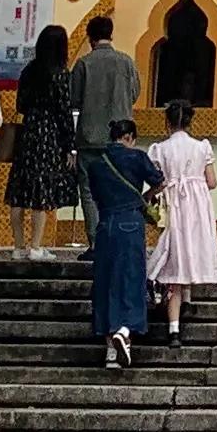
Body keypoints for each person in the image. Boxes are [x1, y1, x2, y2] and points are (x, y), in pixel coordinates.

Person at [78, 116, 159, 370]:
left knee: (106, 282)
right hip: (131, 223)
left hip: (105, 225)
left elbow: (94, 194)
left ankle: (110, 353)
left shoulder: (96, 163)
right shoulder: (136, 157)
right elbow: (160, 180)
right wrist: (144, 198)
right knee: (131, 279)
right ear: (129, 138)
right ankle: (124, 331)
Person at [147, 99, 217, 335]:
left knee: (174, 245)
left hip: (172, 203)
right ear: (190, 122)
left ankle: (173, 305)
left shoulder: (160, 148)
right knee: (192, 244)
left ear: (167, 122)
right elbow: (212, 181)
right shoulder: (202, 147)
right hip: (196, 206)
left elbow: (157, 181)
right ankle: (187, 294)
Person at [4, 26, 78, 256]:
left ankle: (18, 246)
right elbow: (64, 111)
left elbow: (20, 105)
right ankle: (35, 246)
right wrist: (69, 146)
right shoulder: (60, 74)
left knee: (20, 189)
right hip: (49, 134)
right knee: (41, 191)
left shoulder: (28, 71)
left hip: (28, 131)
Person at [70, 11, 140, 162]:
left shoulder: (83, 64)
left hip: (90, 141)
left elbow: (73, 100)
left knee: (88, 184)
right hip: (121, 138)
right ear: (110, 35)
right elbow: (134, 94)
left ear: (90, 38)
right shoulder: (126, 62)